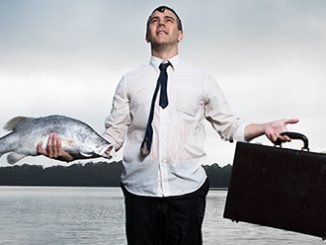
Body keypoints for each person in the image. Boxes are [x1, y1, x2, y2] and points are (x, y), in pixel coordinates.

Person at [38, 6, 299, 245]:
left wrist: (266, 127)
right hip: (139, 192)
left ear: (180, 34)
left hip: (188, 191)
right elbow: (112, 139)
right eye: (154, 20)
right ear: (147, 35)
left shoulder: (202, 79)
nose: (161, 23)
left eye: (168, 19)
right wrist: (71, 155)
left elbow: (230, 128)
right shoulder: (129, 81)